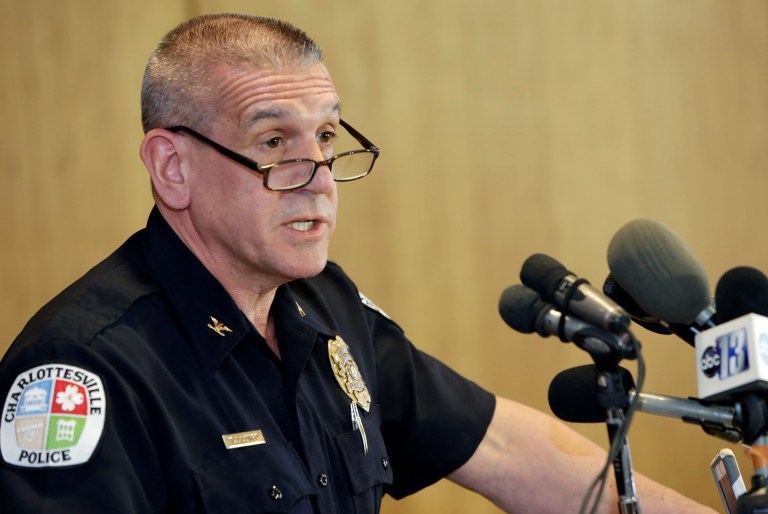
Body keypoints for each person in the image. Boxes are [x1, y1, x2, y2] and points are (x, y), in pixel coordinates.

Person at [0, 13, 715, 513]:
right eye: (274, 142)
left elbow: (502, 447)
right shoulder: (82, 371)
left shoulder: (323, 305)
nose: (318, 174)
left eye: (328, 137)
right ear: (173, 167)